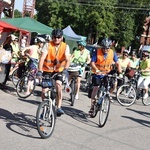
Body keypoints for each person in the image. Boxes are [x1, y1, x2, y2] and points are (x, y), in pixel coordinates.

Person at [37, 29, 70, 116]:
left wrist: (66, 69)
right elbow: (42, 59)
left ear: (62, 37)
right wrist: (40, 71)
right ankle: (44, 107)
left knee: (58, 85)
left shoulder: (65, 46)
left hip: (59, 71)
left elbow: (67, 59)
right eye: (55, 37)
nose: (56, 39)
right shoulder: (47, 45)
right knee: (44, 91)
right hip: (47, 71)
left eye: (59, 37)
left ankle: (59, 107)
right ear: (52, 37)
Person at [89, 38, 121, 116]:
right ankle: (92, 106)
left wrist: (120, 71)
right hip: (97, 73)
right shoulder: (97, 52)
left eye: (107, 48)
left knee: (111, 85)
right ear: (102, 47)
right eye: (104, 48)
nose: (106, 49)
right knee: (96, 88)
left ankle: (105, 96)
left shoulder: (112, 53)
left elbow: (117, 62)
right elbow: (92, 63)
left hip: (107, 73)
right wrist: (96, 70)